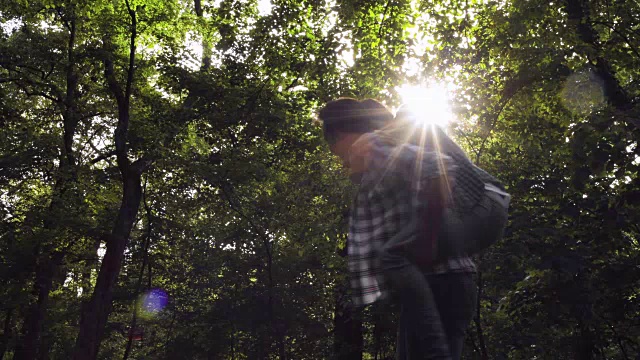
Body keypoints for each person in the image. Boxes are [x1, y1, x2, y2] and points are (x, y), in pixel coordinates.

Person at [318, 98, 479, 359]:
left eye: (338, 149)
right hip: (442, 282)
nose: (342, 160)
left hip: (439, 281)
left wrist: (425, 242)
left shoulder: (378, 147)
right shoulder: (386, 154)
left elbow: (438, 168)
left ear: (345, 134)